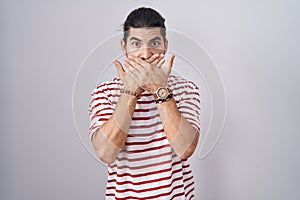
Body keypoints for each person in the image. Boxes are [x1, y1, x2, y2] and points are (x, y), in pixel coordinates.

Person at [89, 7, 201, 200]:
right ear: (123, 47)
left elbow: (185, 149)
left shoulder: (186, 89)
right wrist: (130, 92)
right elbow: (106, 153)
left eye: (154, 43)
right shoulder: (104, 92)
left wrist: (159, 89)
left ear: (165, 46)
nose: (145, 53)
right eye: (136, 43)